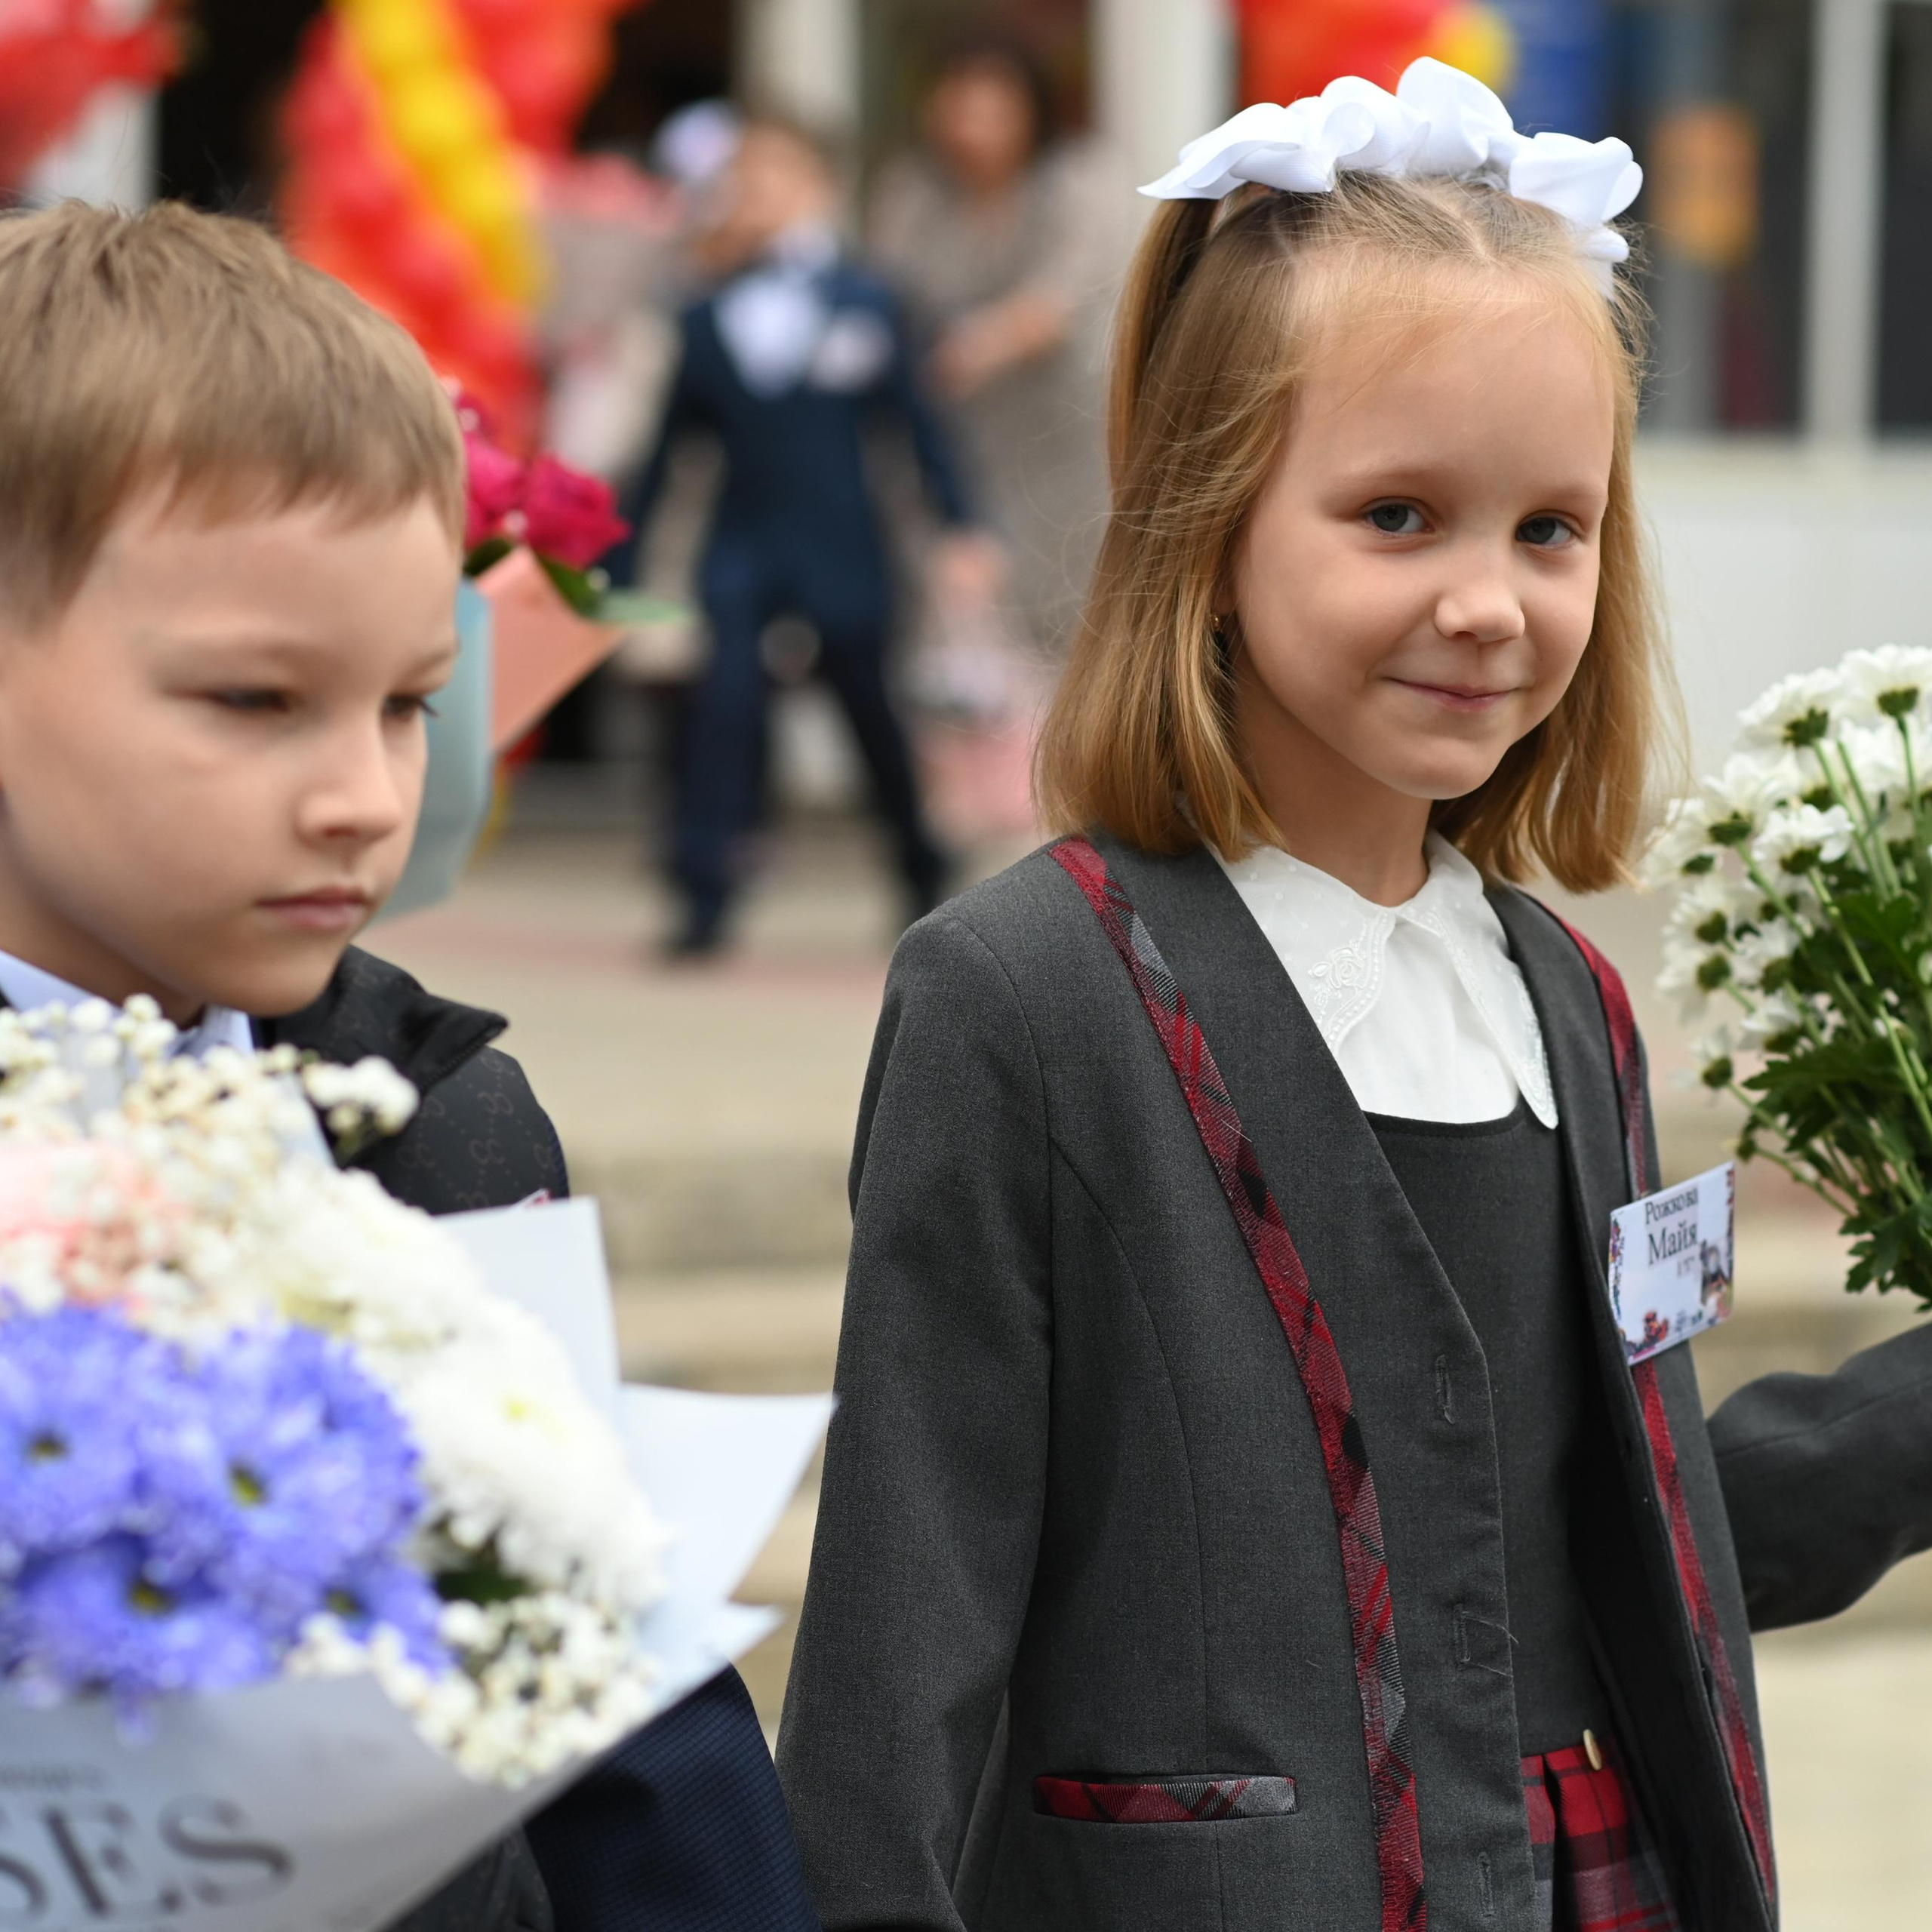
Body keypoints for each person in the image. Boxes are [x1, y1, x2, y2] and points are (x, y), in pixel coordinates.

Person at [777, 60, 1932, 1932]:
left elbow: (1609, 1537)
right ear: (1208, 523)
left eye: (1546, 529)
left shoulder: (1562, 998)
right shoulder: (1018, 995)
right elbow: (900, 1635)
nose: (1487, 601)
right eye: (1397, 514)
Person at [0, 199, 819, 1932]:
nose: (365, 796)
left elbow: (623, 1735)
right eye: (251, 700)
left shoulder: (439, 1119)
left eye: (405, 702)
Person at [620, 114, 995, 957]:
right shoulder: (702, 308)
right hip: (742, 541)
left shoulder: (868, 297)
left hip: (842, 541)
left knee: (870, 709)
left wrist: (961, 524)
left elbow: (918, 425)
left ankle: (919, 861)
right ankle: (704, 886)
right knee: (723, 706)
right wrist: (622, 558)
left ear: (819, 190)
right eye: (744, 180)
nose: (759, 197)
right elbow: (668, 449)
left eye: (778, 178)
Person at [869, 34, 1127, 658]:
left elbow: (1060, 301)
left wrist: (969, 349)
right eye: (957, 107)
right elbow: (885, 298)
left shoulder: (1080, 180)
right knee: (965, 625)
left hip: (1062, 437)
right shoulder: (912, 194)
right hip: (955, 442)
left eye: (990, 108)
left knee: (1075, 608)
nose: (971, 129)